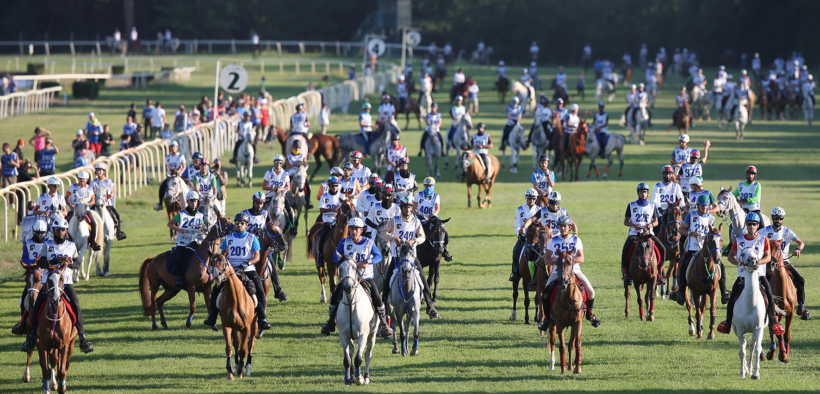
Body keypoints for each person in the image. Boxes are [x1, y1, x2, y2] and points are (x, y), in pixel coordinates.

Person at [21, 217, 94, 354]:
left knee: (76, 306)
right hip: (48, 283)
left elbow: (77, 264)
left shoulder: (71, 246)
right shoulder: (47, 245)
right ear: (53, 230)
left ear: (66, 230)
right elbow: (42, 263)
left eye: (63, 229)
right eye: (58, 229)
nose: (60, 232)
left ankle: (83, 338)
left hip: (65, 282)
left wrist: (69, 263)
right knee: (37, 306)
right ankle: (31, 337)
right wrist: (59, 259)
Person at [320, 217, 394, 337]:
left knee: (376, 296)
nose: (354, 232)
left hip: (365, 277)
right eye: (352, 229)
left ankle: (384, 324)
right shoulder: (344, 242)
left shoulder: (369, 242)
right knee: (335, 296)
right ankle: (330, 322)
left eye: (356, 229)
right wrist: (347, 261)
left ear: (361, 230)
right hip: (348, 277)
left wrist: (368, 262)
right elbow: (335, 257)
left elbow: (378, 256)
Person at [717, 213, 785, 336]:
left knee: (769, 294)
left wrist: (758, 262)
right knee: (732, 297)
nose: (751, 226)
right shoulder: (739, 240)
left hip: (759, 274)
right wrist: (738, 262)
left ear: (758, 225)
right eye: (749, 224)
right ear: (746, 226)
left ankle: (773, 322)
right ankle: (727, 322)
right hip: (743, 276)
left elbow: (768, 256)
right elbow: (730, 256)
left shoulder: (763, 239)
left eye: (754, 224)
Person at [202, 212, 273, 331]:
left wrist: (247, 263)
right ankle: (212, 317)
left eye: (242, 223)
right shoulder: (229, 238)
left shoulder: (252, 238)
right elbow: (223, 254)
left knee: (260, 290)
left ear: (246, 225)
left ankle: (262, 319)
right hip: (230, 270)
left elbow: (257, 256)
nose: (239, 225)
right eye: (237, 223)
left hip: (248, 269)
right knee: (216, 290)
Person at [379, 195, 440, 318]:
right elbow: (383, 233)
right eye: (405, 207)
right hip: (397, 257)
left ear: (412, 208)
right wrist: (394, 238)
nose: (407, 209)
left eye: (409, 207)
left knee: (423, 280)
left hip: (412, 257)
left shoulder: (416, 221)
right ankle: (383, 306)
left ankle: (430, 305)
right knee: (387, 282)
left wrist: (414, 241)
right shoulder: (394, 220)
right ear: (401, 208)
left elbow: (422, 237)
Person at [538, 215, 601, 330]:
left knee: (591, 292)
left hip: (574, 271)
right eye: (561, 226)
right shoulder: (553, 240)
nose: (562, 228)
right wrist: (559, 261)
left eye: (565, 226)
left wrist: (568, 262)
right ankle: (547, 319)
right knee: (545, 293)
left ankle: (590, 315)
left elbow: (581, 258)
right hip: (557, 272)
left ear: (570, 228)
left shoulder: (576, 240)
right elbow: (547, 259)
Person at [669, 195, 724, 305]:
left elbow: (714, 233)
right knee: (684, 263)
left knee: (721, 266)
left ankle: (724, 292)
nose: (704, 208)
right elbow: (681, 230)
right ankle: (680, 292)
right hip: (693, 248)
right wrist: (690, 233)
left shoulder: (711, 218)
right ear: (698, 206)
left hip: (707, 249)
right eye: (702, 206)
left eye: (706, 206)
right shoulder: (691, 215)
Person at [761, 207, 809, 320]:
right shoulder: (764, 231)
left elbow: (801, 242)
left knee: (801, 280)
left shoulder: (787, 231)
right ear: (772, 218)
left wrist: (798, 249)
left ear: (783, 219)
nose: (778, 220)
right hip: (769, 261)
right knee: (761, 282)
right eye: (776, 218)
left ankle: (802, 307)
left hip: (784, 262)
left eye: (780, 218)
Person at [242, 192, 288, 300]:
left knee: (271, 264)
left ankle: (278, 289)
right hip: (247, 246)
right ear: (253, 202)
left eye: (261, 203)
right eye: (257, 203)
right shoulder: (245, 214)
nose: (259, 205)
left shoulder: (265, 214)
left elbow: (268, 226)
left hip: (261, 246)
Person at [621, 182, 666, 285]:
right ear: (638, 193)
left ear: (647, 193)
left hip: (648, 234)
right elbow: (625, 221)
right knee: (625, 250)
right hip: (634, 234)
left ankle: (659, 273)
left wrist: (651, 225)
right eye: (641, 192)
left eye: (644, 192)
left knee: (662, 249)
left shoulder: (652, 206)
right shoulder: (631, 205)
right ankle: (626, 274)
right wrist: (633, 224)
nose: (643, 194)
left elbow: (656, 221)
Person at [65, 171, 101, 251]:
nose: (82, 181)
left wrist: (85, 204)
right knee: (64, 222)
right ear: (78, 179)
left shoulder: (89, 188)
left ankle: (92, 242)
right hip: (73, 210)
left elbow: (93, 200)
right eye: (80, 179)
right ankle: (63, 240)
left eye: (83, 179)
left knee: (94, 223)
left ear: (87, 180)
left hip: (85, 211)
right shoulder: (72, 187)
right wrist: (70, 204)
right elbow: (66, 198)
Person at [511, 189, 540, 282]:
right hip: (524, 238)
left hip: (535, 238)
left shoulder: (539, 210)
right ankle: (515, 272)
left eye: (533, 199)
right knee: (516, 251)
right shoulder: (520, 209)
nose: (531, 201)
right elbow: (517, 224)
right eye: (529, 198)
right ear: (525, 198)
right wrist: (520, 233)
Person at [315, 177, 345, 266]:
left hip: (339, 219)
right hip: (328, 219)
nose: (334, 188)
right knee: (324, 233)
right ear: (329, 186)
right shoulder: (324, 196)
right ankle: (320, 255)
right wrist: (332, 209)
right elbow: (321, 210)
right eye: (332, 186)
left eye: (335, 186)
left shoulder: (341, 196)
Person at [91, 162, 125, 240]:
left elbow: (112, 192)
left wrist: (109, 195)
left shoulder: (108, 181)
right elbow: (91, 193)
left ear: (104, 171)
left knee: (117, 216)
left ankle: (119, 233)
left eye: (100, 170)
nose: (98, 172)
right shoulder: (93, 182)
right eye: (97, 170)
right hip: (96, 204)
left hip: (107, 204)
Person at [154, 141, 187, 211]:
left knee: (188, 186)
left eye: (174, 147)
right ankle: (160, 204)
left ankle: (189, 202)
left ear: (177, 148)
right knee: (162, 186)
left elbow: (184, 167)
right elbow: (166, 166)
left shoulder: (181, 156)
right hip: (170, 177)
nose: (173, 148)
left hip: (179, 177)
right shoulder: (168, 157)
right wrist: (169, 171)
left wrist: (179, 172)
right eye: (171, 147)